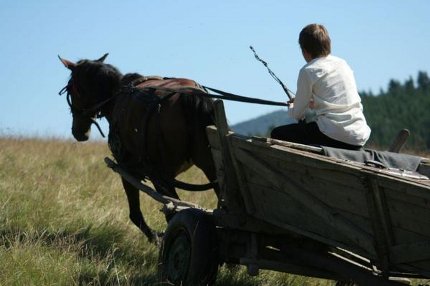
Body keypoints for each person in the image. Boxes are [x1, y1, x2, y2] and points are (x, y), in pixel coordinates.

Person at [271, 24, 371, 150]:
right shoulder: (342, 63)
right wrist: (313, 103)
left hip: (334, 134)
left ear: (304, 50)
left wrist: (292, 106)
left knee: (278, 133)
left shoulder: (308, 70)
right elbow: (336, 98)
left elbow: (297, 114)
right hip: (359, 135)